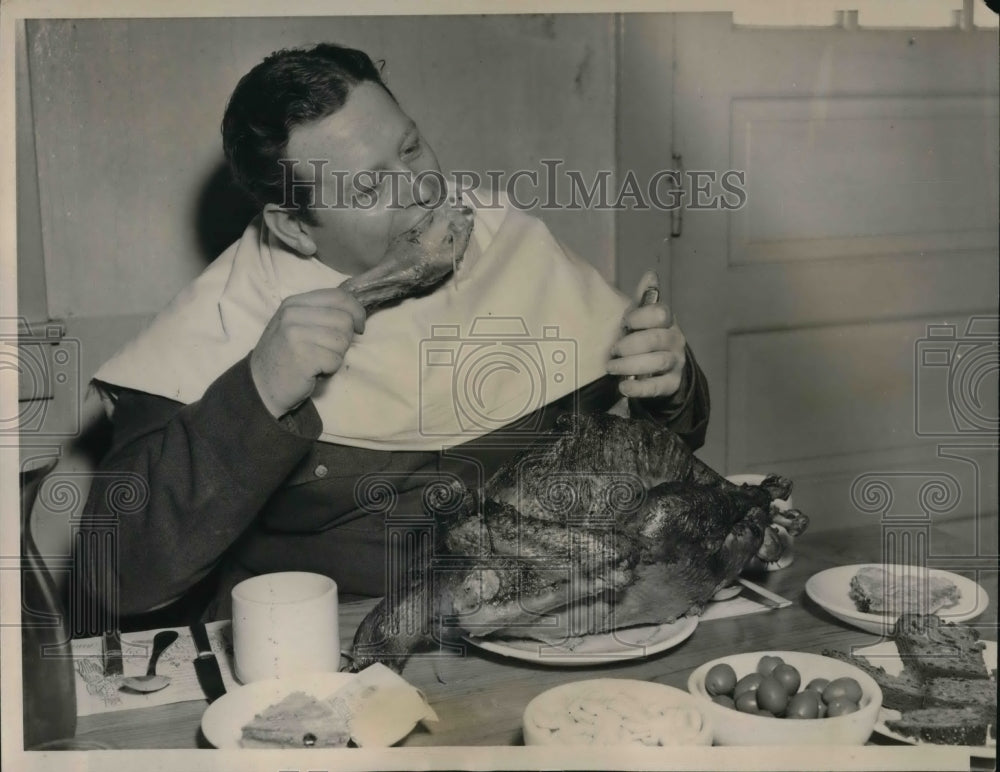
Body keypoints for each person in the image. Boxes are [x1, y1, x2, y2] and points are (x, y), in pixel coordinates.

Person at [73, 43, 709, 635]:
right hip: (323, 642)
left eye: (411, 149)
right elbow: (117, 575)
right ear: (295, 226)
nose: (423, 189)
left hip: (533, 615)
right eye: (371, 185)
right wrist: (257, 390)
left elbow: (649, 451)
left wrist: (668, 382)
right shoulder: (216, 320)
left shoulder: (511, 240)